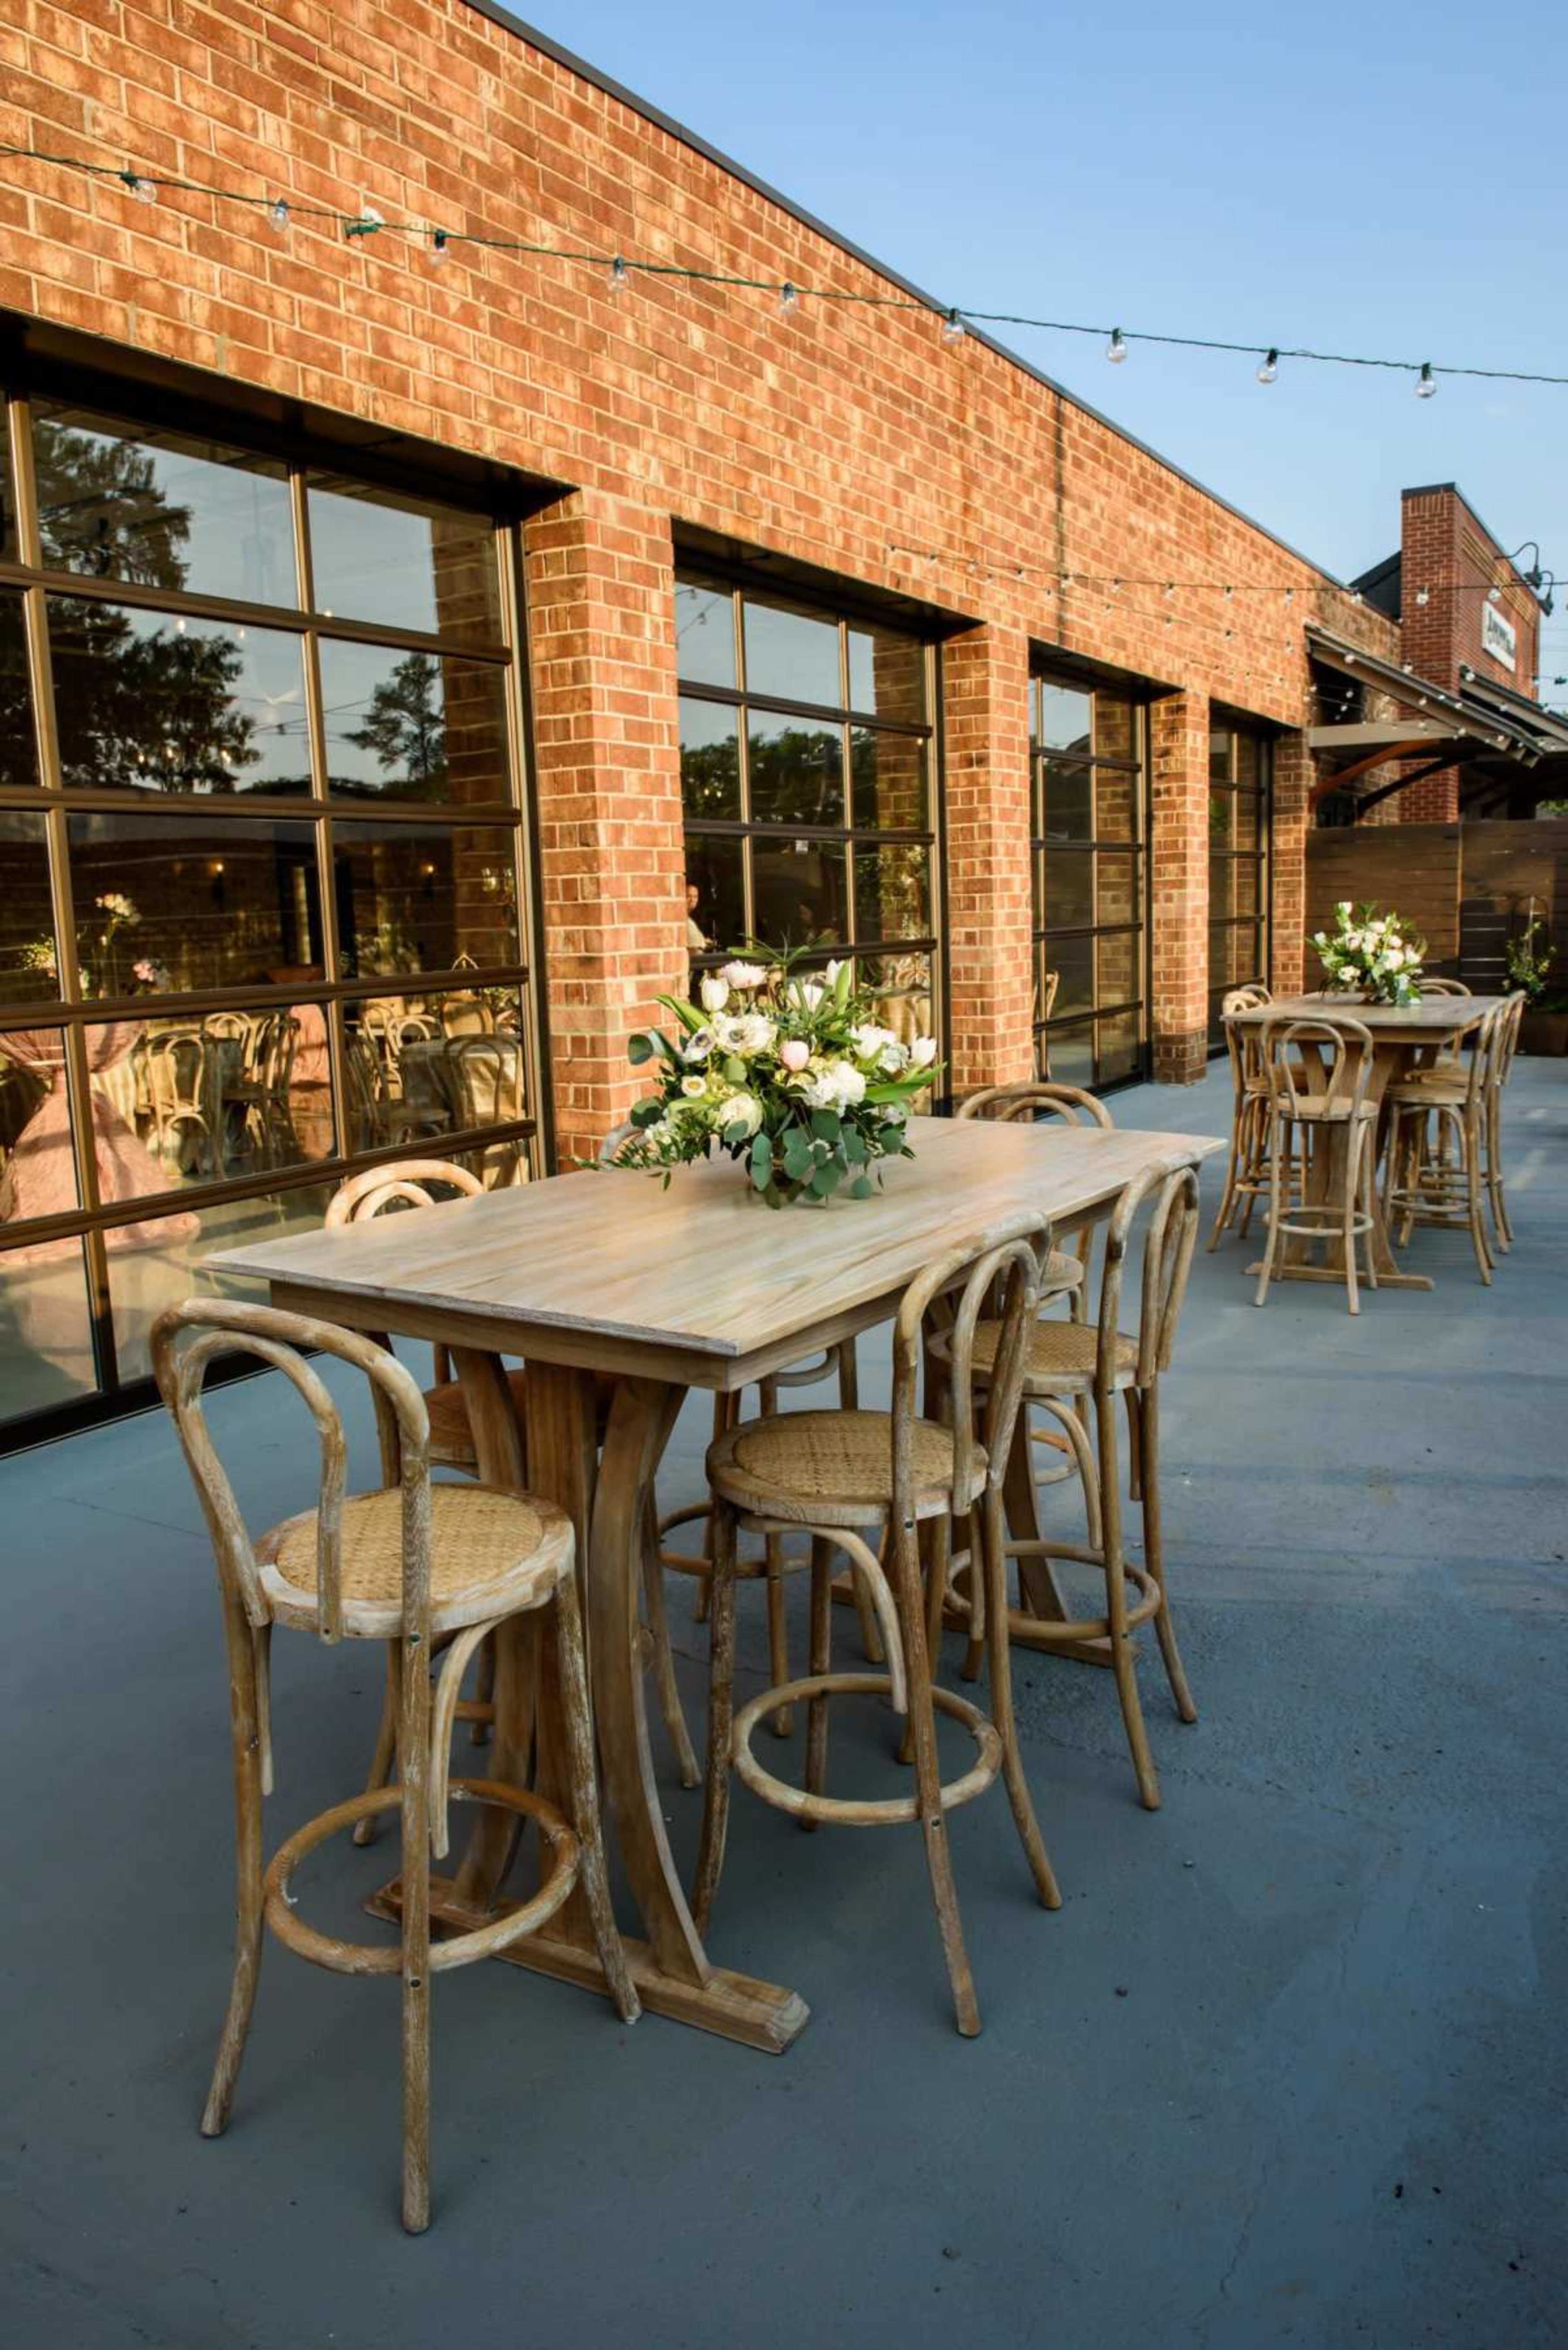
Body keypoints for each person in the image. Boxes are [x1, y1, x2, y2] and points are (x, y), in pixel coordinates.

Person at [685, 881, 712, 954]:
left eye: (695, 897)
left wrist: (704, 941)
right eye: (688, 896)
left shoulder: (689, 920)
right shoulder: (682, 920)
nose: (692, 900)